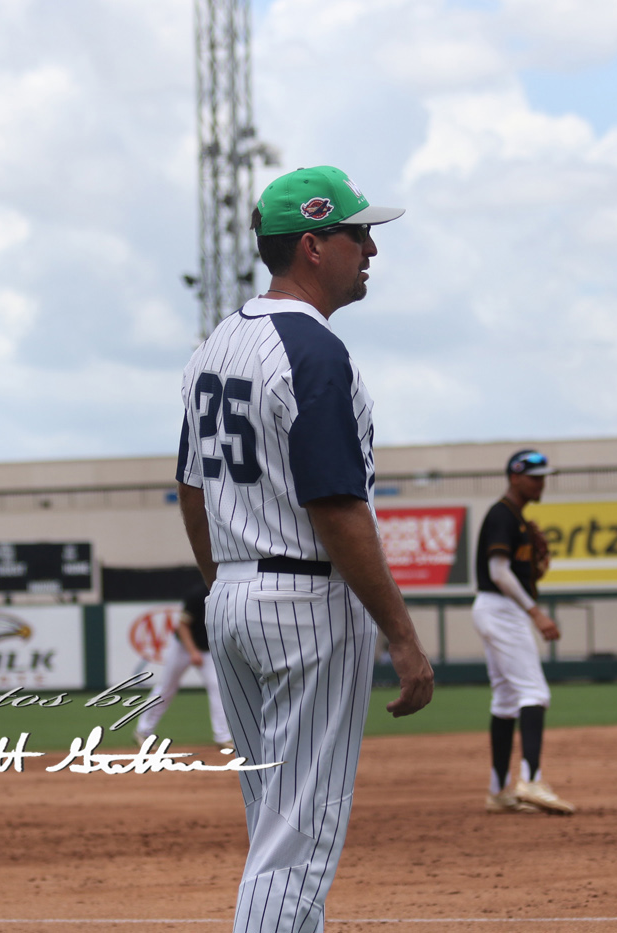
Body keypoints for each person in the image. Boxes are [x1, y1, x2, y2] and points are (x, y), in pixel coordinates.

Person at [176, 164, 434, 933]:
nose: (371, 251)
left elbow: (191, 485)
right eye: (359, 235)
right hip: (306, 607)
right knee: (299, 841)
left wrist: (222, 586)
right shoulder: (313, 351)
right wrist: (401, 632)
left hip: (234, 598)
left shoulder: (216, 344)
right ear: (314, 246)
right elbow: (337, 506)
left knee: (276, 827)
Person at [472, 449, 576, 815]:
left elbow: (509, 572)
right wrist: (536, 613)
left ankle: (499, 790)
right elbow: (499, 572)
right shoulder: (503, 515)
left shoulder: (514, 517)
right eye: (535, 476)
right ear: (515, 477)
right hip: (501, 608)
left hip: (494, 608)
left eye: (544, 476)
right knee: (534, 692)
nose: (541, 483)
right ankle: (531, 781)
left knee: (505, 699)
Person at [133, 581, 234, 751]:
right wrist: (192, 651)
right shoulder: (198, 594)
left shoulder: (229, 594)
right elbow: (182, 626)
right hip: (182, 647)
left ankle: (223, 737)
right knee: (166, 687)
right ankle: (143, 732)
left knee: (218, 687)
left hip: (207, 648)